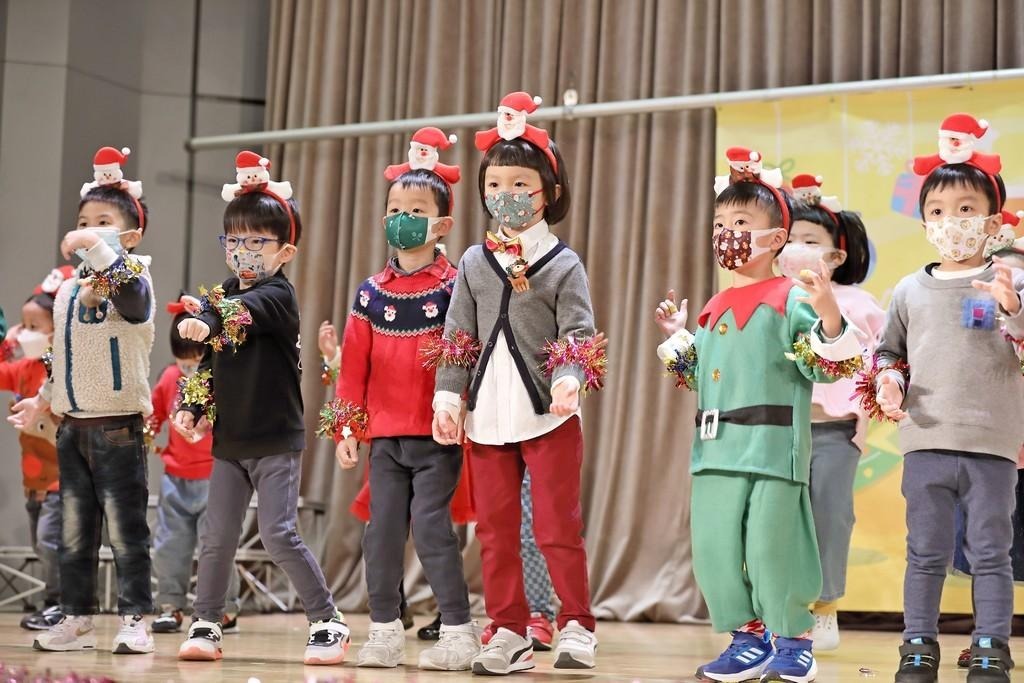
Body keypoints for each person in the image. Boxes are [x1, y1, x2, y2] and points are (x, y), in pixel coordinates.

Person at [655, 147, 864, 683]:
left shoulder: (792, 298)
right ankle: (746, 639)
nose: (728, 234)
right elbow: (700, 378)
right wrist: (679, 338)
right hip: (714, 449)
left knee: (775, 547)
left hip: (773, 449)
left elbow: (825, 365)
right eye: (720, 224)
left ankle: (793, 638)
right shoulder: (713, 307)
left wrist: (827, 311)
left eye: (742, 223)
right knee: (714, 548)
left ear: (776, 239)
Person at [432, 91, 607, 675]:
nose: (505, 194)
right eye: (495, 184)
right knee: (495, 532)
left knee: (557, 528)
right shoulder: (473, 263)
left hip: (548, 417)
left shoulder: (563, 263)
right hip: (487, 418)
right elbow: (458, 336)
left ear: (548, 192)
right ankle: (508, 628)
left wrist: (569, 378)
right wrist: (448, 397)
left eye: (519, 184)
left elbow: (578, 330)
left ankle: (576, 623)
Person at [860, 113, 1023, 683]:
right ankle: (918, 643)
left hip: (992, 444)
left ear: (993, 220)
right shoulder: (909, 289)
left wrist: (1013, 308)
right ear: (924, 220)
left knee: (990, 552)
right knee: (925, 553)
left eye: (966, 209)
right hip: (926, 440)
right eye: (937, 211)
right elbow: (889, 352)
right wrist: (888, 381)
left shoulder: (1011, 282)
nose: (951, 222)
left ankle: (991, 644)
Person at [173, 151, 349, 665]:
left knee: (278, 533)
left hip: (274, 437)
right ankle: (206, 621)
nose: (242, 251)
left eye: (256, 242)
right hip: (231, 439)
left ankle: (327, 620)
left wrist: (209, 318)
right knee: (217, 536)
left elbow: (239, 312)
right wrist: (192, 406)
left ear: (285, 250)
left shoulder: (277, 295)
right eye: (234, 240)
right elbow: (209, 363)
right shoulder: (223, 294)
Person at [316, 127, 480, 670]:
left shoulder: (457, 287)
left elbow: (467, 353)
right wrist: (346, 428)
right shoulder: (370, 292)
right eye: (394, 209)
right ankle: (385, 629)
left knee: (433, 530)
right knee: (380, 533)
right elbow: (354, 370)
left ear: (442, 225)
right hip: (385, 439)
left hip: (438, 435)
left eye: (415, 210)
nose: (401, 218)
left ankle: (458, 630)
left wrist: (460, 409)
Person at [10, 146, 157, 654]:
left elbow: (134, 305)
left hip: (117, 426)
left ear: (130, 237)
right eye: (83, 223)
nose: (89, 231)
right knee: (74, 534)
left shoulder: (135, 277)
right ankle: (76, 618)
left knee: (127, 532)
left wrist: (97, 249)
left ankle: (135, 618)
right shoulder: (70, 291)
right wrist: (42, 400)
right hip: (72, 427)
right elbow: (63, 354)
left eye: (103, 223)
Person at [777, 174, 886, 650]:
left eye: (810, 241)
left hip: (834, 433)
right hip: (779, 429)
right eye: (791, 239)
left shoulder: (860, 304)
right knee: (779, 518)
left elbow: (880, 358)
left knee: (831, 516)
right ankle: (780, 608)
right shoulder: (775, 297)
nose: (797, 249)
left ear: (836, 256)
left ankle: (823, 608)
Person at [148, 301, 241, 635]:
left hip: (215, 475)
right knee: (169, 545)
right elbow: (155, 412)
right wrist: (148, 431)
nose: (188, 367)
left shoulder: (221, 380)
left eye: (196, 360)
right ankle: (169, 605)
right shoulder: (169, 378)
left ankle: (225, 608)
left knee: (216, 546)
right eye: (182, 360)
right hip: (175, 478)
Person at [1, 267, 73, 630]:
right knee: (41, 544)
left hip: (63, 478)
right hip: (33, 479)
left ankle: (59, 604)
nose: (28, 331)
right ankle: (55, 602)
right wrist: (7, 343)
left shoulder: (64, 370)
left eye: (35, 325)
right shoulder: (24, 367)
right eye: (24, 324)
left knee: (50, 541)